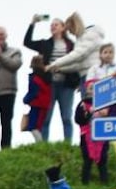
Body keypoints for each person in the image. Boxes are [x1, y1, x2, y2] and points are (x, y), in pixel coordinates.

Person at [25, 14, 77, 142]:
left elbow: (77, 61)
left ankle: (67, 143)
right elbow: (27, 42)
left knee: (66, 116)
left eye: (56, 24)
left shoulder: (71, 45)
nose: (53, 27)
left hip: (66, 84)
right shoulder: (45, 44)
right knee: (46, 117)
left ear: (63, 27)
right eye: (51, 25)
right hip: (49, 84)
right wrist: (33, 23)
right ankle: (44, 144)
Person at [23, 55, 54, 143]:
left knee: (32, 126)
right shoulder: (48, 77)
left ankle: (40, 143)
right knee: (39, 125)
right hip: (45, 105)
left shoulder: (34, 77)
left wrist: (25, 99)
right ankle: (40, 142)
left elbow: (33, 92)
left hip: (36, 104)